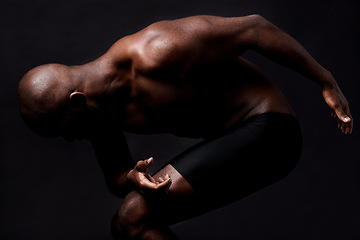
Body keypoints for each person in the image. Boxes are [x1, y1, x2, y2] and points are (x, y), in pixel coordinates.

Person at [18, 14, 352, 239]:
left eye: (66, 130)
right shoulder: (97, 113)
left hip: (271, 128)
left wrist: (325, 80)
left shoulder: (156, 50)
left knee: (134, 216)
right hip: (234, 136)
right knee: (123, 228)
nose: (71, 139)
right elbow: (116, 177)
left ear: (77, 102)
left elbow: (255, 28)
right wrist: (130, 176)